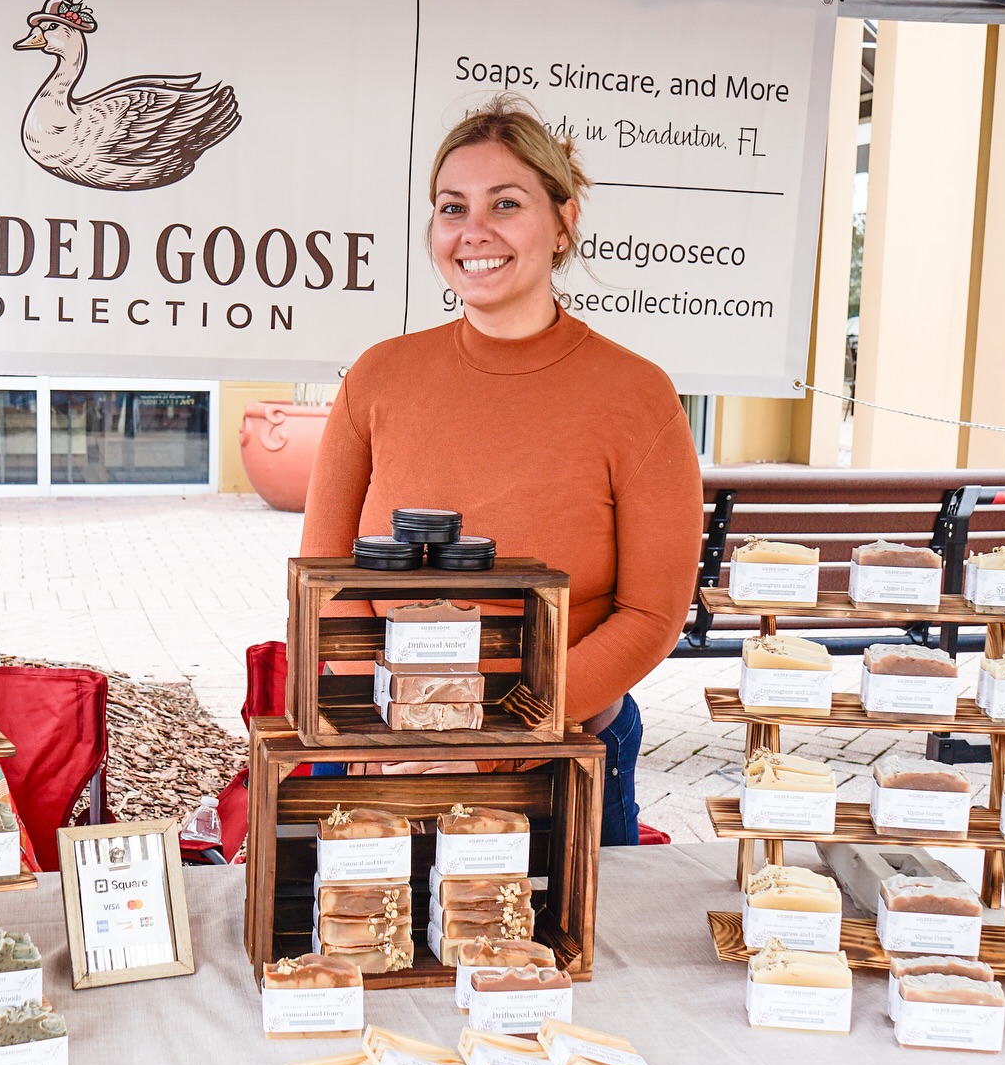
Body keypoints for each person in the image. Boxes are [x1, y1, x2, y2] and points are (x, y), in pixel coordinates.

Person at [299, 95, 704, 844]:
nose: (473, 231)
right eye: (452, 207)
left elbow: (651, 617)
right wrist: (391, 723)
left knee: (566, 963)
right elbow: (324, 578)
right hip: (384, 751)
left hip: (558, 753)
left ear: (564, 221)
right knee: (368, 952)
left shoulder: (636, 395)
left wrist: (494, 732)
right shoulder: (380, 376)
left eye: (506, 203)